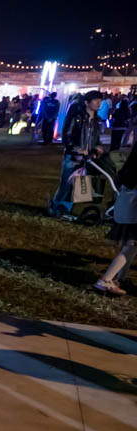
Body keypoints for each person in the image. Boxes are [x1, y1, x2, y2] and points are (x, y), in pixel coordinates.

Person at [50, 90, 105, 217]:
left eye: (100, 100)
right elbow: (67, 136)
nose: (98, 103)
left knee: (78, 187)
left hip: (87, 159)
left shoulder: (97, 120)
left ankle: (66, 209)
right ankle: (55, 207)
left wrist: (98, 148)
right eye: (95, 100)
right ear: (87, 102)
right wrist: (77, 149)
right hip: (73, 157)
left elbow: (96, 139)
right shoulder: (77, 117)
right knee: (66, 184)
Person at [94, 149, 137, 295]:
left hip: (128, 207)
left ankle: (120, 278)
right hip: (132, 210)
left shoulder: (130, 167)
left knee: (131, 246)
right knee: (131, 245)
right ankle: (105, 280)